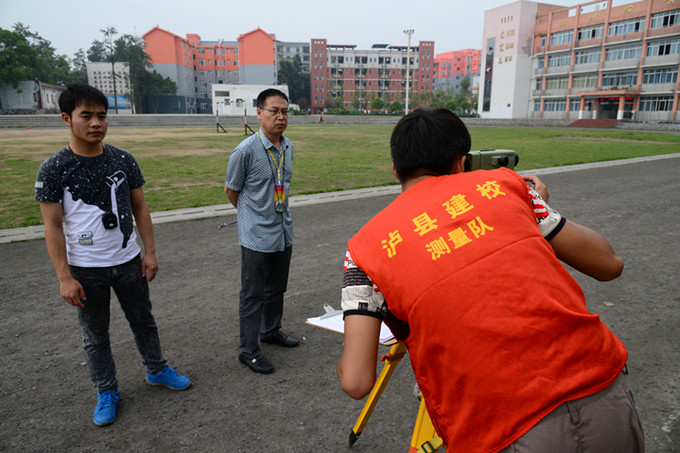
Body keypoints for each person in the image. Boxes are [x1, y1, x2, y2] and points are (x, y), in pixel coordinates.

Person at [337, 109, 644, 452]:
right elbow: (609, 264)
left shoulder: (363, 249)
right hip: (604, 391)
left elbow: (356, 380)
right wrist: (536, 205)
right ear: (461, 163)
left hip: (498, 428)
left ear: (396, 170)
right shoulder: (508, 186)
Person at [35, 85, 191, 427]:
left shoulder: (122, 159)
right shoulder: (54, 169)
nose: (96, 123)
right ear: (66, 119)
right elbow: (52, 227)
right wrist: (65, 277)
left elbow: (140, 208)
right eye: (86, 116)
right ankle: (106, 390)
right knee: (95, 335)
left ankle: (157, 368)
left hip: (128, 261)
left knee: (144, 321)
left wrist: (149, 252)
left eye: (102, 116)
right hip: (86, 269)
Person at [224, 88, 299, 375]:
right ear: (259, 113)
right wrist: (250, 216)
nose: (280, 117)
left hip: (283, 230)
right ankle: (248, 350)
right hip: (256, 234)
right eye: (274, 111)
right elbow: (232, 190)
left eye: (284, 111)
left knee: (277, 287)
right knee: (253, 293)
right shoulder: (245, 151)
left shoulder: (288, 146)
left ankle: (270, 330)